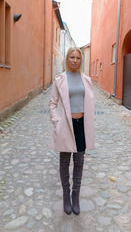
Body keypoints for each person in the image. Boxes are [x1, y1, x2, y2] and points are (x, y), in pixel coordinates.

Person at [49, 47, 95, 215]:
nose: (75, 60)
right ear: (67, 59)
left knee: (79, 161)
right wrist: (57, 121)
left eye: (78, 58)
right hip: (66, 124)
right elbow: (52, 103)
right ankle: (66, 196)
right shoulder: (60, 79)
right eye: (72, 57)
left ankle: (76, 195)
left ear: (81, 60)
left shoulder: (86, 80)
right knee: (64, 161)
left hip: (81, 124)